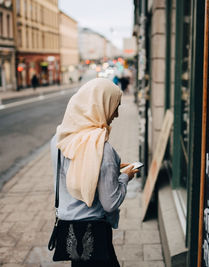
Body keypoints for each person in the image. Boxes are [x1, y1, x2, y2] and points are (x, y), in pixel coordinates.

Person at [50, 78, 138, 267]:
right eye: (115, 106)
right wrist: (125, 177)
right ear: (100, 105)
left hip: (69, 227)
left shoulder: (59, 139)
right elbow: (110, 202)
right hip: (94, 231)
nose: (116, 114)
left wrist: (114, 167)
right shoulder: (101, 149)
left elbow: (76, 169)